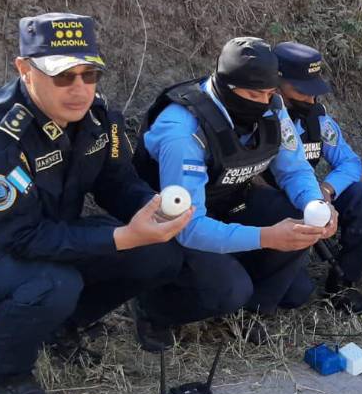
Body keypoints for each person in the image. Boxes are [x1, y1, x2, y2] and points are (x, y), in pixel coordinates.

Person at [0, 13, 190, 394]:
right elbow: (21, 238)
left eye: (89, 74)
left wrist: (154, 211)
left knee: (159, 254)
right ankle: (6, 373)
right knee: (54, 283)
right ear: (24, 69)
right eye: (63, 76)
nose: (79, 89)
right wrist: (122, 238)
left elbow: (117, 183)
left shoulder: (98, 117)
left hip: (52, 231)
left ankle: (59, 326)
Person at [133, 37, 334, 341]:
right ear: (227, 87)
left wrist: (317, 206)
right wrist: (267, 237)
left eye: (270, 93)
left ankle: (249, 314)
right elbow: (189, 227)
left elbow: (294, 169)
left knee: (297, 271)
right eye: (255, 94)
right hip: (169, 227)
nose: (265, 103)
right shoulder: (183, 131)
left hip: (229, 204)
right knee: (230, 289)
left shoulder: (271, 108)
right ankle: (155, 312)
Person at [271, 41, 362, 314]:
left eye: (313, 91)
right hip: (271, 206)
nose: (310, 99)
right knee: (294, 295)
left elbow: (351, 162)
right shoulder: (261, 118)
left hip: (312, 199)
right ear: (276, 83)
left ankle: (344, 285)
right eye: (301, 91)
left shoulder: (317, 119)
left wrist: (327, 190)